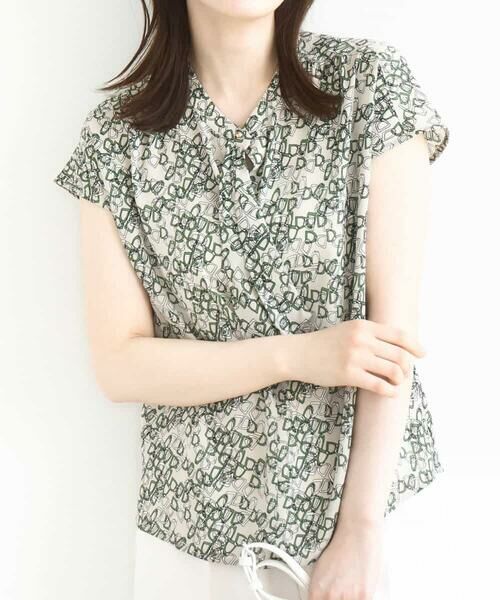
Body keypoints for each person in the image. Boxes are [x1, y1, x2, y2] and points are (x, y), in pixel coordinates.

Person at [53, 1, 450, 599]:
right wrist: (295, 355)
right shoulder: (116, 138)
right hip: (193, 532)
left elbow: (394, 341)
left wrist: (361, 528)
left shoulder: (369, 86)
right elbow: (120, 365)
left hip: (367, 523)